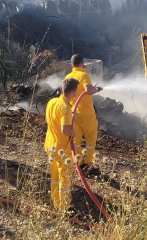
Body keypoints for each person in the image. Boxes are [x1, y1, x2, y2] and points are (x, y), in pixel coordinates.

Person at [44, 77, 79, 211]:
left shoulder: (52, 102)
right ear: (74, 92)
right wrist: (74, 133)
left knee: (54, 177)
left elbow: (48, 120)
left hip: (50, 145)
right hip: (61, 150)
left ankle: (56, 203)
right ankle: (64, 207)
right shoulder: (66, 108)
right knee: (64, 179)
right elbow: (65, 130)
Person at [65, 54, 102, 171]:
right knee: (91, 138)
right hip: (86, 114)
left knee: (76, 140)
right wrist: (96, 89)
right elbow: (88, 90)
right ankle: (89, 164)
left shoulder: (68, 76)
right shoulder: (84, 75)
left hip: (73, 114)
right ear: (82, 63)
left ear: (71, 65)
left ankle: (79, 163)